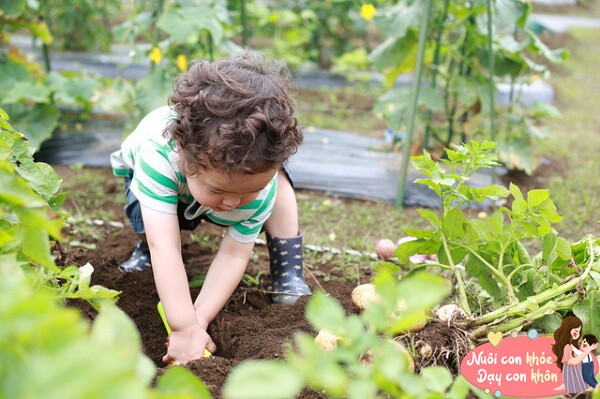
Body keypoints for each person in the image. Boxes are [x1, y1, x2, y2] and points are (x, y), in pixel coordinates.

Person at [110, 53, 312, 365]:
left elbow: (233, 254)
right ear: (184, 152)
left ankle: (287, 271)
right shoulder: (157, 157)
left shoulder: (257, 180)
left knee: (278, 191)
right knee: (150, 224)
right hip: (148, 179)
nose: (232, 203)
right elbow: (165, 245)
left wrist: (199, 320)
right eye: (220, 190)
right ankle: (141, 249)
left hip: (201, 181)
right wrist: (182, 324)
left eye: (249, 190)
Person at [552, 316, 598, 393]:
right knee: (575, 378)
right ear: (568, 329)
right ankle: (568, 385)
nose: (578, 334)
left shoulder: (570, 345)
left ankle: (591, 387)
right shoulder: (567, 346)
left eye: (579, 331)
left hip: (576, 367)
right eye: (576, 331)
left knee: (578, 378)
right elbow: (571, 362)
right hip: (572, 366)